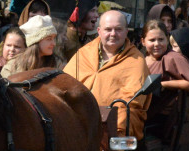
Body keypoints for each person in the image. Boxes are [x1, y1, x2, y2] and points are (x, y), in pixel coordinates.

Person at [63, 9, 150, 139]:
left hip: (112, 123)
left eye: (118, 29)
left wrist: (106, 122)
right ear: (99, 31)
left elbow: (131, 102)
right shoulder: (84, 53)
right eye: (108, 29)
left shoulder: (136, 61)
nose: (113, 34)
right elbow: (64, 84)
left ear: (126, 32)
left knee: (124, 117)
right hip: (77, 117)